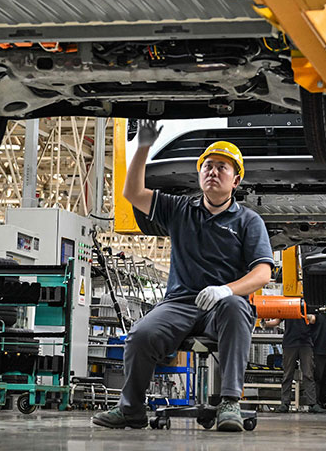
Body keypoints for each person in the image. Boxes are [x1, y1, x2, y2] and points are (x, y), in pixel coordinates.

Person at [92, 121, 276, 433]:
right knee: (140, 335)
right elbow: (133, 192)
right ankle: (131, 409)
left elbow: (263, 273)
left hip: (222, 306)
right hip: (179, 303)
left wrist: (225, 291)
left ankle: (230, 403)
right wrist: (142, 148)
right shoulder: (180, 209)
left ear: (236, 180)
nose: (213, 172)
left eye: (222, 167)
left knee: (235, 309)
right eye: (207, 166)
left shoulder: (248, 221)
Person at [275, 312, 317, 413]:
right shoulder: (286, 305)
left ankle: (312, 404)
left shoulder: (307, 303)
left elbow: (313, 319)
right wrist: (264, 323)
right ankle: (285, 403)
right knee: (288, 374)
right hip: (290, 343)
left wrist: (304, 314)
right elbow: (277, 320)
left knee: (308, 374)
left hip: (305, 343)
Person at [308, 307, 326, 413]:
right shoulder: (312, 311)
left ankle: (322, 402)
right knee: (317, 377)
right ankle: (315, 404)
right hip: (317, 350)